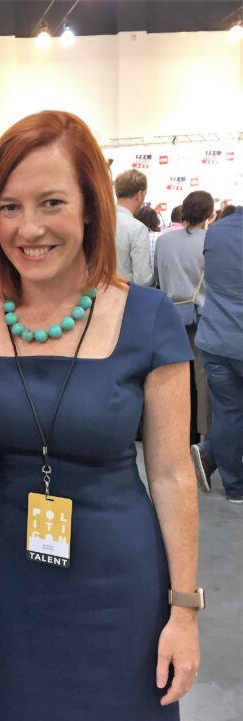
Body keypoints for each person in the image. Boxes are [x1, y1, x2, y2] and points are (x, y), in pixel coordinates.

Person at [0, 111, 202, 721]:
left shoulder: (148, 318)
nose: (29, 228)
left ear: (91, 208)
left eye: (51, 203)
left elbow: (172, 474)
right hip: (12, 584)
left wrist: (184, 611)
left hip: (120, 586)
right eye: (9, 207)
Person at [191, 205, 243, 504]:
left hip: (216, 338)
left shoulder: (217, 230)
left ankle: (234, 486)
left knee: (227, 413)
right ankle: (211, 454)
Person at [155, 190, 214, 442]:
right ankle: (203, 438)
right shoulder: (210, 242)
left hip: (167, 317)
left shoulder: (163, 241)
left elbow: (156, 277)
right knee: (202, 379)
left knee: (168, 378)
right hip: (200, 317)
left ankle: (169, 433)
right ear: (209, 214)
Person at [114, 168, 153, 286]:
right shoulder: (137, 229)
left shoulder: (97, 221)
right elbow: (143, 279)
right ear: (139, 195)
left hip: (92, 294)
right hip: (124, 293)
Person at [135, 204, 162, 277]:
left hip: (137, 278)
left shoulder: (134, 237)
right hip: (158, 278)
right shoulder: (161, 237)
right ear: (155, 220)